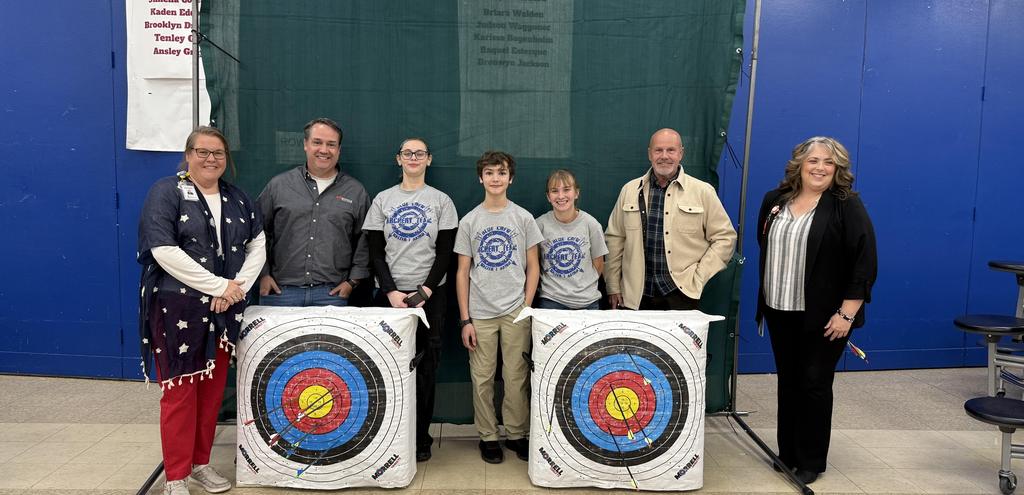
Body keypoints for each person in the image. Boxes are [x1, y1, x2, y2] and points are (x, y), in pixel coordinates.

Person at [137, 126, 266, 495]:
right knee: (180, 393)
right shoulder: (166, 192)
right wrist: (218, 286)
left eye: (218, 153)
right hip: (178, 310)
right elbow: (164, 250)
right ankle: (176, 476)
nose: (211, 159)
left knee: (211, 394)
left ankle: (200, 464)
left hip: (224, 311)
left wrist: (235, 288)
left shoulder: (238, 198)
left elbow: (258, 244)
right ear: (188, 155)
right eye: (203, 152)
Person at [755, 136, 877, 484]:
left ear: (837, 169)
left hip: (826, 316)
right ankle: (788, 453)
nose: (820, 168)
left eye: (828, 162)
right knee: (788, 382)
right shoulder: (775, 200)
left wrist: (847, 314)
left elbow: (865, 261)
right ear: (799, 164)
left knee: (814, 383)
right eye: (813, 161)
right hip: (779, 308)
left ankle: (810, 460)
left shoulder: (845, 205)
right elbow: (765, 244)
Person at [362, 137, 458, 462]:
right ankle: (389, 435)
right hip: (389, 296)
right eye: (407, 153)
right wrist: (391, 291)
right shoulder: (383, 200)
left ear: (428, 159)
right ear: (398, 159)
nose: (413, 157)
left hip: (431, 296)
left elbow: (445, 254)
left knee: (426, 368)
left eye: (419, 153)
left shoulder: (442, 201)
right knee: (386, 368)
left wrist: (425, 291)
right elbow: (375, 253)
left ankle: (420, 439)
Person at [455, 150, 543, 464]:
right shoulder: (470, 220)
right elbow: (462, 272)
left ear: (511, 178)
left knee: (516, 375)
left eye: (501, 172)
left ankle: (516, 433)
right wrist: (465, 319)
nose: (496, 178)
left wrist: (526, 306)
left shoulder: (523, 218)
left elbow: (533, 266)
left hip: (515, 310)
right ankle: (488, 436)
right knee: (482, 378)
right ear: (481, 178)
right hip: (480, 313)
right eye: (490, 173)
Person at [605, 128, 736, 310]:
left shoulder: (703, 192)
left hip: (682, 295)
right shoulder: (629, 191)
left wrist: (698, 277)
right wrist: (613, 285)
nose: (664, 156)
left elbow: (725, 238)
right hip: (635, 296)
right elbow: (615, 239)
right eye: (658, 150)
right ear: (650, 154)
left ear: (681, 153)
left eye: (671, 150)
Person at [257, 117, 370, 306]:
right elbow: (257, 232)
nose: (324, 150)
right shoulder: (278, 186)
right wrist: (263, 275)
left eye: (331, 144)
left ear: (339, 149)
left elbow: (364, 240)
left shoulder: (356, 192)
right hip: (280, 292)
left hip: (332, 294)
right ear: (305, 144)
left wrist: (352, 282)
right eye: (317, 142)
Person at [535, 169, 608, 310]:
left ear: (576, 193)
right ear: (548, 196)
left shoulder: (591, 225)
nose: (561, 196)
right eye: (554, 191)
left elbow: (599, 265)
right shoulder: (539, 225)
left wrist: (581, 288)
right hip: (551, 301)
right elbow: (534, 263)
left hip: (588, 302)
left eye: (566, 189)